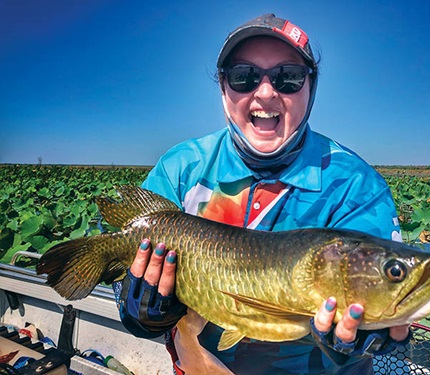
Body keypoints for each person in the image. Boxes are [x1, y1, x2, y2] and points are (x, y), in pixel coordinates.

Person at [113, 13, 410, 375]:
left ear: (310, 88)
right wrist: (140, 312)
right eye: (244, 77)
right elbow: (127, 294)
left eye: (288, 78)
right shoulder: (180, 169)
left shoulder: (356, 186)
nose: (266, 92)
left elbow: (378, 294)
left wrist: (371, 335)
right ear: (223, 87)